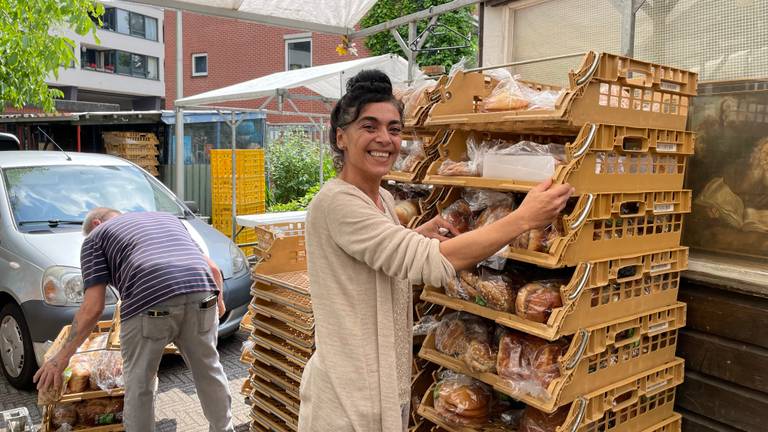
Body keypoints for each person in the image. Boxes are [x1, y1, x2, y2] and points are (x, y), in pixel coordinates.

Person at [298, 70, 574, 431]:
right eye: (369, 127)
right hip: (349, 397)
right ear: (341, 137)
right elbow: (430, 263)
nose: (385, 139)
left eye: (394, 129)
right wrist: (522, 219)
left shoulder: (379, 198)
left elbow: (382, 253)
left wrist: (414, 232)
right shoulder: (337, 203)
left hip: (380, 385)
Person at [34, 208, 234, 432]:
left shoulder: (95, 237)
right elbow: (214, 269)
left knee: (140, 386)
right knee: (209, 371)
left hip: (149, 305)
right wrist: (219, 302)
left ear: (97, 223)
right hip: (202, 294)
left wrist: (60, 359)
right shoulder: (166, 219)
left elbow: (92, 308)